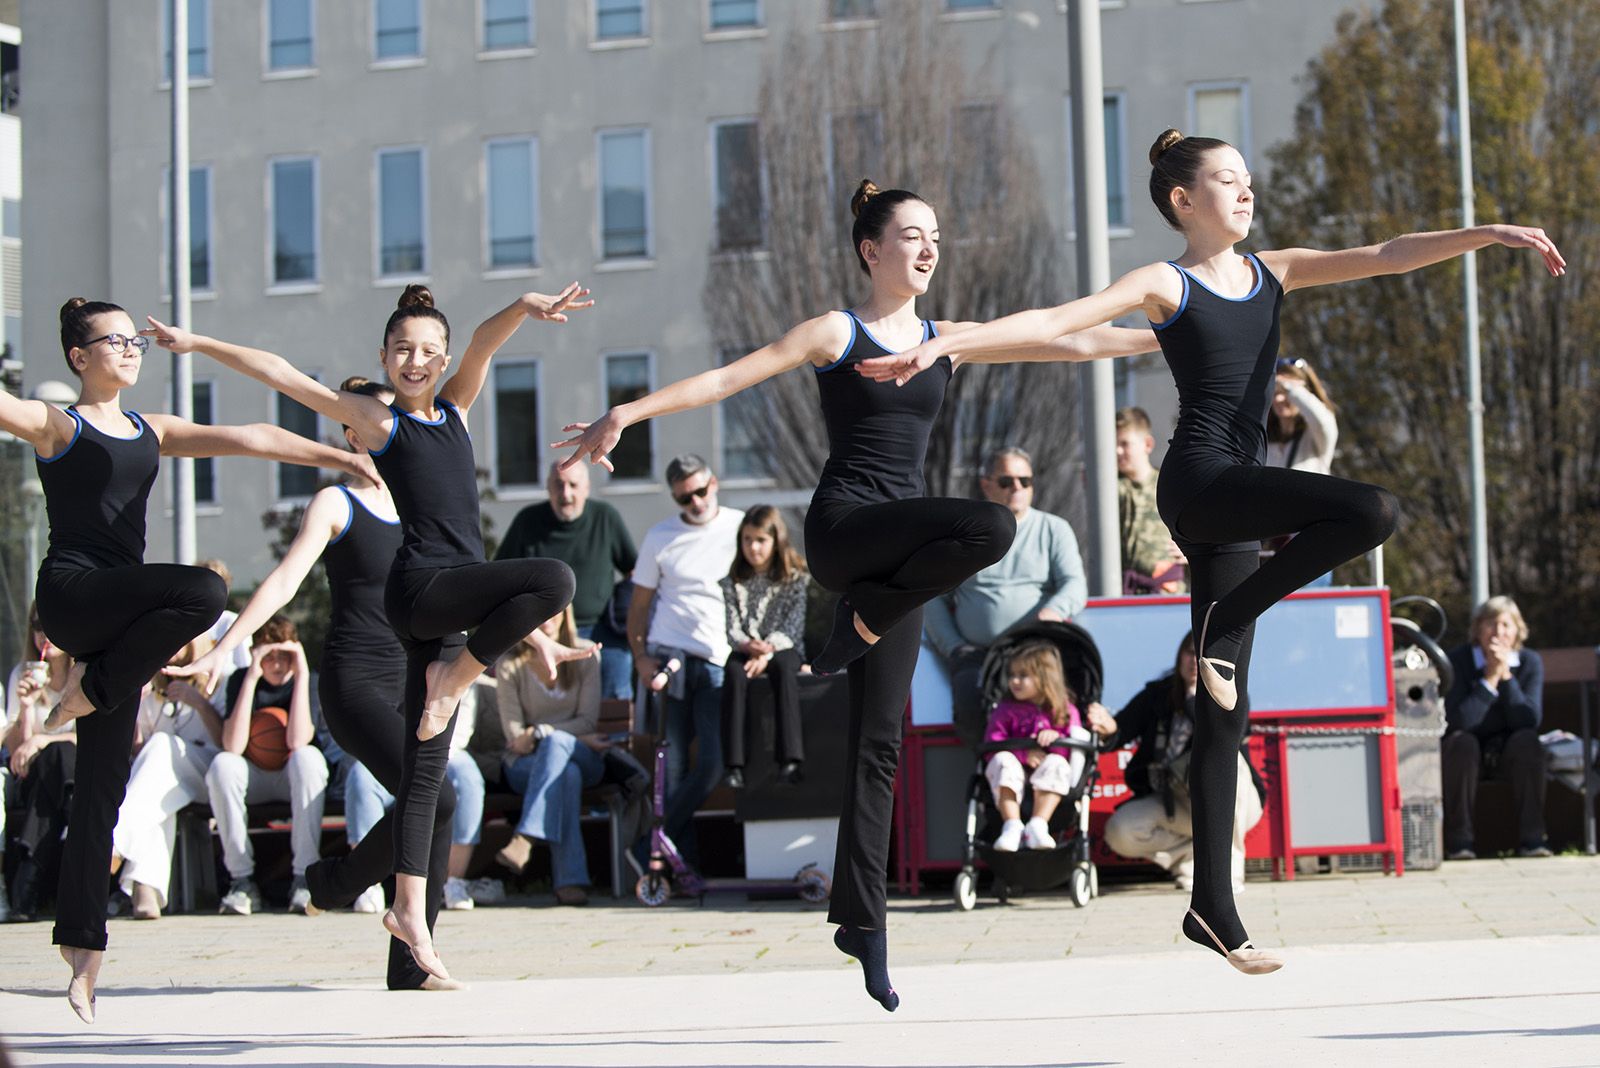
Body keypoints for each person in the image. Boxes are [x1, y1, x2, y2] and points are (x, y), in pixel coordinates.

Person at [857, 129, 1561, 973]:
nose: (1246, 190)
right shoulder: (1168, 282)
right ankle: (1234, 613)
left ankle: (1212, 910)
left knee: (1227, 709)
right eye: (1227, 180)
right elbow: (1059, 322)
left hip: (1236, 500)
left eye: (1248, 178)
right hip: (1199, 484)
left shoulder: (1279, 268)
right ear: (1184, 201)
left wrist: (1483, 235)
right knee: (1372, 510)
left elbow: (1385, 252)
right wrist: (945, 344)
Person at [555, 179, 1154, 1011]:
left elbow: (1072, 344)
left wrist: (1168, 331)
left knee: (879, 743)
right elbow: (732, 378)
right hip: (847, 529)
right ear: (872, 250)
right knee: (991, 526)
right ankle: (861, 620)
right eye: (912, 234)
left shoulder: (948, 338)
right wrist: (628, 410)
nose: (929, 248)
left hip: (900, 563)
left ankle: (862, 927)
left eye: (936, 234)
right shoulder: (839, 331)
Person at [147, 282, 594, 983]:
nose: (417, 361)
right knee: (556, 581)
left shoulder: (457, 410)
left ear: (443, 359)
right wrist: (198, 342)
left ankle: (410, 934)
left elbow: (481, 342)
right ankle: (453, 681)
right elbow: (282, 375)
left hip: (451, 621)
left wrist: (520, 310)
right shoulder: (385, 427)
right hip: (420, 593)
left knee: (424, 783)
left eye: (429, 352)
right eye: (403, 351)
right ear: (385, 357)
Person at [13, 297, 374, 1023]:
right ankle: (95, 685)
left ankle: (82, 949)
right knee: (207, 588)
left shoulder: (153, 430)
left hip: (119, 625)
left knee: (104, 788)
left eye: (132, 338)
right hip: (75, 596)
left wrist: (335, 455)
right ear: (80, 358)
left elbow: (248, 436)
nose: (129, 348)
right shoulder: (59, 425)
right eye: (112, 341)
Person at [171, 376, 462, 988]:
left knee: (439, 804)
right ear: (351, 433)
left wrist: (536, 633)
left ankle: (406, 958)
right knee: (431, 797)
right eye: (374, 421)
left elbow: (469, 578)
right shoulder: (337, 503)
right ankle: (340, 882)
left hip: (421, 676)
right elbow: (283, 581)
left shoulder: (423, 500)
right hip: (355, 680)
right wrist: (225, 647)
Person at [923, 445, 1088, 746]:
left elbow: (1075, 585)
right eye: (1006, 481)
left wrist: (1052, 610)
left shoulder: (1053, 529)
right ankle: (987, 771)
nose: (1017, 488)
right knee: (970, 705)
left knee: (1057, 711)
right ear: (986, 484)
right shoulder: (965, 533)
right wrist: (954, 646)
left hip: (1035, 649)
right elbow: (931, 595)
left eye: (1025, 481)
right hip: (977, 655)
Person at [625, 455, 743, 866]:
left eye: (700, 490)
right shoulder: (660, 536)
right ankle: (677, 866)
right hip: (667, 658)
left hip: (716, 660)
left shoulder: (740, 526)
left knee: (711, 763)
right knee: (670, 770)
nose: (695, 502)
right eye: (684, 498)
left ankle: (648, 847)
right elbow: (638, 608)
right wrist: (640, 658)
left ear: (714, 482)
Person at [1090, 633, 1265, 894]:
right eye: (1189, 653)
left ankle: (1226, 875)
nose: (1195, 661)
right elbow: (1121, 730)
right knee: (1121, 831)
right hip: (1176, 800)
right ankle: (1192, 860)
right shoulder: (1158, 694)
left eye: (1203, 656)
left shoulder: (1232, 693)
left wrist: (1195, 701)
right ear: (1179, 657)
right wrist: (1106, 726)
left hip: (1233, 801)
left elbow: (1224, 739)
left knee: (1232, 763)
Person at [205, 616, 328, 917]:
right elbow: (232, 745)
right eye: (268, 655)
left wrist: (300, 673)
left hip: (293, 776)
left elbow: (298, 739)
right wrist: (250, 676)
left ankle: (304, 876)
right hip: (255, 777)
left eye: (284, 655)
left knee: (307, 757)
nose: (277, 664)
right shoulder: (240, 681)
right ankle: (241, 881)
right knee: (223, 764)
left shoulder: (308, 681)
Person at [497, 461, 638, 700]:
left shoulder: (605, 517)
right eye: (559, 485)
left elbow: (634, 571)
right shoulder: (528, 521)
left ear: (586, 488)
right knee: (549, 697)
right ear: (548, 488)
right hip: (544, 631)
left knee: (617, 681)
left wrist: (623, 612)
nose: (566, 494)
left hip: (599, 628)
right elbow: (500, 576)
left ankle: (618, 737)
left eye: (573, 485)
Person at [341, 684, 485, 915]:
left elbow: (462, 728)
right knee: (360, 776)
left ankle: (455, 881)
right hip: (393, 751)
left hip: (446, 751)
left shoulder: (462, 658)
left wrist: (427, 757)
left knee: (468, 778)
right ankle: (366, 884)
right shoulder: (394, 661)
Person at [494, 606, 606, 905]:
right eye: (539, 613)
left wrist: (542, 732)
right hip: (527, 765)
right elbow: (516, 739)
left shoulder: (585, 654)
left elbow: (587, 721)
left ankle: (526, 837)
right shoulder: (510, 664)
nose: (547, 619)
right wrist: (544, 736)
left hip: (583, 756)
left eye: (554, 612)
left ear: (567, 614)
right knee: (566, 775)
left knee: (556, 743)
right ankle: (569, 881)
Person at [108, 639, 222, 921]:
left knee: (160, 748)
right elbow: (137, 750)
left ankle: (114, 844)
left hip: (211, 773)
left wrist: (198, 702)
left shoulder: (217, 674)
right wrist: (134, 704)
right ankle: (146, 889)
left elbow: (228, 742)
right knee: (160, 798)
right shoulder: (152, 685)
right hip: (168, 779)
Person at [1441, 596, 1548, 860]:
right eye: (1491, 624)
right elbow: (1460, 720)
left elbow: (1528, 719)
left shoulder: (1530, 662)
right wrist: (1489, 678)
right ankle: (1459, 843)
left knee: (1528, 742)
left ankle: (1533, 840)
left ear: (1517, 631)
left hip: (1510, 751)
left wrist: (1506, 677)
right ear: (1478, 629)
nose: (1498, 632)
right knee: (1460, 742)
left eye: (1506, 625)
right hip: (1467, 754)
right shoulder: (1459, 661)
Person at [720, 505, 810, 789]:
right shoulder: (733, 581)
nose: (753, 547)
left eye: (760, 540)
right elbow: (731, 626)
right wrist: (748, 646)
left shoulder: (795, 578)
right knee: (733, 673)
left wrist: (768, 652)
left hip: (782, 647)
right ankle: (734, 764)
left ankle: (790, 758)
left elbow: (793, 627)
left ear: (775, 541)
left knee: (784, 669)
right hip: (748, 649)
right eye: (747, 540)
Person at [3, 603, 75, 923]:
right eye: (36, 625)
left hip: (81, 770)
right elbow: (19, 755)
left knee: (57, 754)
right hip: (37, 778)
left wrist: (44, 739)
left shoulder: (83, 672)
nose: (43, 633)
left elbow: (94, 738)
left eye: (52, 624)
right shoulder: (24, 673)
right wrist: (26, 707)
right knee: (50, 762)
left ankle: (29, 883)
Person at [983, 642, 1089, 853]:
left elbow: (1074, 754)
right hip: (1012, 777)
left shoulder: (1065, 711)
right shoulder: (1005, 710)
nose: (1014, 681)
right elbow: (992, 743)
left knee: (1058, 763)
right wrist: (1023, 754)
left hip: (1050, 780)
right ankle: (1011, 825)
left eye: (1023, 675)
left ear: (1045, 677)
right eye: (1012, 674)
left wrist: (1055, 739)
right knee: (1002, 760)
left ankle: (1038, 825)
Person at [1115, 407, 1186, 594]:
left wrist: (1189, 549)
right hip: (1125, 589)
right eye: (1114, 444)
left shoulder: (1168, 484)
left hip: (1165, 588)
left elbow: (1196, 526)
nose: (1117, 451)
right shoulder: (1114, 489)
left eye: (1125, 443)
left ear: (1147, 444)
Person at [1265, 357, 1337, 474]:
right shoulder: (1264, 440)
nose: (1278, 399)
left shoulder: (1315, 438)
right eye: (1275, 391)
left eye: (1284, 393)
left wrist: (1290, 388)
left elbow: (1322, 421)